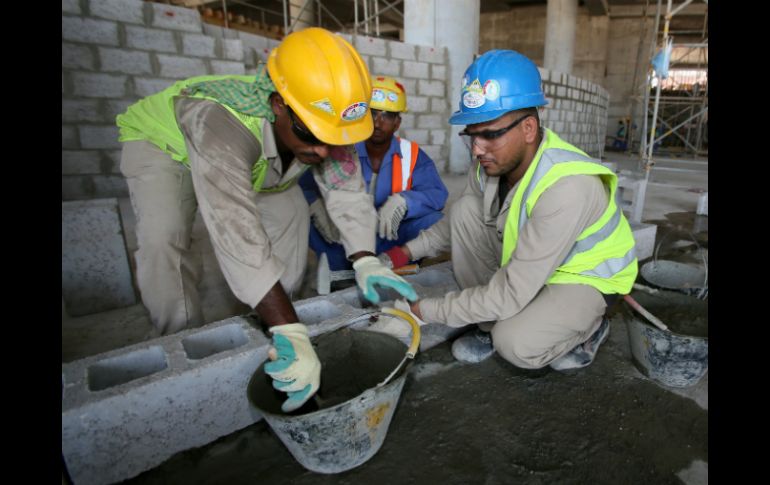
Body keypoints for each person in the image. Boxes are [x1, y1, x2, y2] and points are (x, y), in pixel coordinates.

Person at [116, 28, 416, 412]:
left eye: (334, 138)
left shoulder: (323, 120)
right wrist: (291, 326)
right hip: (166, 147)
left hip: (262, 160)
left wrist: (365, 257)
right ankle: (181, 346)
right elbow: (233, 227)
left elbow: (346, 190)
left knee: (290, 214)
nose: (324, 149)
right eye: (312, 133)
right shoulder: (221, 120)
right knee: (165, 238)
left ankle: (272, 325)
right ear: (278, 105)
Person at [383, 50, 638, 370]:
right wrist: (401, 254)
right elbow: (453, 226)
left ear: (529, 128)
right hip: (537, 263)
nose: (477, 149)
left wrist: (419, 312)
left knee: (515, 343)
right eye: (472, 136)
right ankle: (489, 324)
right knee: (466, 211)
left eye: (490, 134)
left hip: (582, 276)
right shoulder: (491, 163)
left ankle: (589, 328)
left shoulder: (567, 186)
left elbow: (512, 291)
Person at [298, 75, 448, 272]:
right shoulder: (342, 149)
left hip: (391, 236)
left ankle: (401, 263)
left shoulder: (412, 154)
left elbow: (437, 193)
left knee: (434, 220)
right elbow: (305, 184)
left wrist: (406, 202)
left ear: (397, 123)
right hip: (344, 237)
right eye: (372, 113)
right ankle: (340, 273)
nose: (377, 123)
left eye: (386, 115)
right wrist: (315, 204)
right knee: (300, 215)